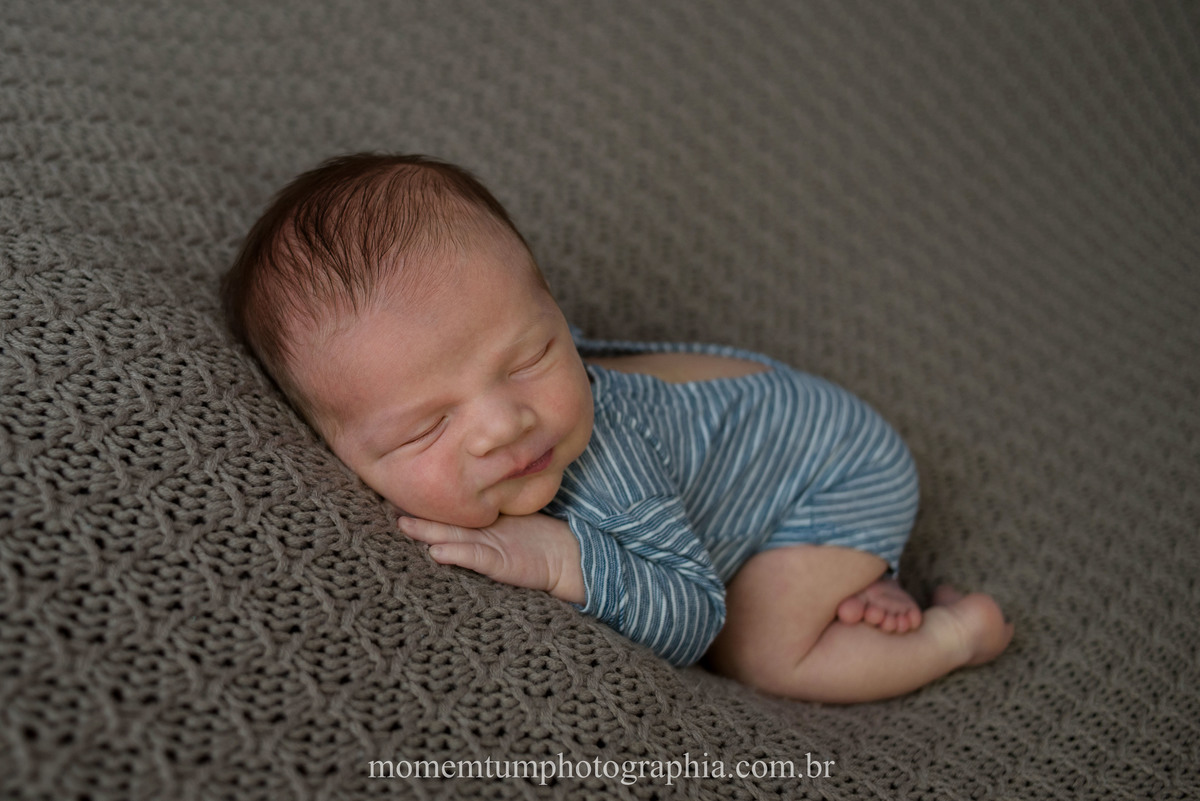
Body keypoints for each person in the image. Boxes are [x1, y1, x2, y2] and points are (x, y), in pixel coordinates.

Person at [221, 153, 1013, 703]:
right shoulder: (493, 408)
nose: (504, 423)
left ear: (554, 307)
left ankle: (954, 632)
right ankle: (849, 576)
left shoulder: (609, 471)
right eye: (427, 426)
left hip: (833, 470)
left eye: (530, 355)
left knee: (758, 651)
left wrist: (564, 557)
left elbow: (695, 615)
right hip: (755, 437)